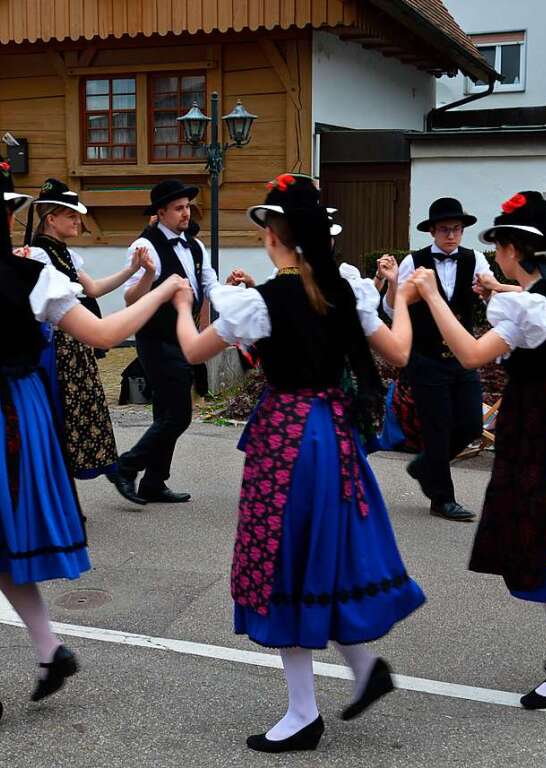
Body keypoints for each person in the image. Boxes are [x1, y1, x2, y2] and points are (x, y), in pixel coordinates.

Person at [0, 151, 187, 726]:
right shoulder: (36, 274)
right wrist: (162, 290)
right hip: (24, 411)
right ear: (12, 213)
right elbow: (102, 334)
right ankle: (49, 651)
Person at [172, 173, 425, 753]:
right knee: (323, 551)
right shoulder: (345, 292)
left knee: (283, 559)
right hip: (333, 434)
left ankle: (304, 713)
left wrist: (183, 304)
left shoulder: (261, 301)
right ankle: (362, 669)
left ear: (274, 238)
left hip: (286, 437)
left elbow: (191, 351)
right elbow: (401, 354)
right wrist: (406, 302)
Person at [410, 190, 546, 708]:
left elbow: (471, 354)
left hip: (543, 415)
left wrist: (433, 297)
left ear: (509, 250)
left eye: (498, 244)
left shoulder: (526, 304)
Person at [25, 178, 152, 485]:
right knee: (61, 416)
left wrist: (133, 270)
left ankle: (79, 485)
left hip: (75, 343)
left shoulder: (65, 254)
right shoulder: (37, 255)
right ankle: (60, 491)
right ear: (51, 219)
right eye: (71, 216)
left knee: (81, 414)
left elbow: (92, 289)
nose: (77, 221)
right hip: (54, 345)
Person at [380, 197, 493, 522]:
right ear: (432, 231)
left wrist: (489, 291)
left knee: (472, 422)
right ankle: (442, 498)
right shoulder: (413, 262)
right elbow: (391, 310)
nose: (451, 236)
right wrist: (393, 287)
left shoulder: (475, 261)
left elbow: (490, 297)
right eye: (444, 230)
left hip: (461, 357)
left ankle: (426, 463)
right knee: (437, 428)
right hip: (426, 358)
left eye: (456, 229)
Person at [111, 180, 218, 505]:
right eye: (178, 208)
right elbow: (131, 299)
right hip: (156, 339)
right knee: (179, 415)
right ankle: (127, 466)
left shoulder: (195, 246)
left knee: (166, 413)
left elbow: (208, 285)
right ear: (161, 213)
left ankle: (154, 482)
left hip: (185, 340)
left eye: (187, 207)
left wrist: (242, 298)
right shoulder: (144, 247)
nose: (186, 213)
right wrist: (146, 274)